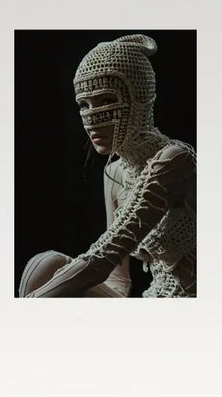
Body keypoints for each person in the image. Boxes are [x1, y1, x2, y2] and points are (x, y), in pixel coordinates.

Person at [19, 34, 197, 299]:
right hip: (150, 299)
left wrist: (34, 302)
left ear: (139, 98)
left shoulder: (175, 160)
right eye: (83, 104)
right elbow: (117, 275)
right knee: (47, 265)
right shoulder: (114, 173)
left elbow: (106, 254)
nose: (91, 118)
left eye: (105, 101)